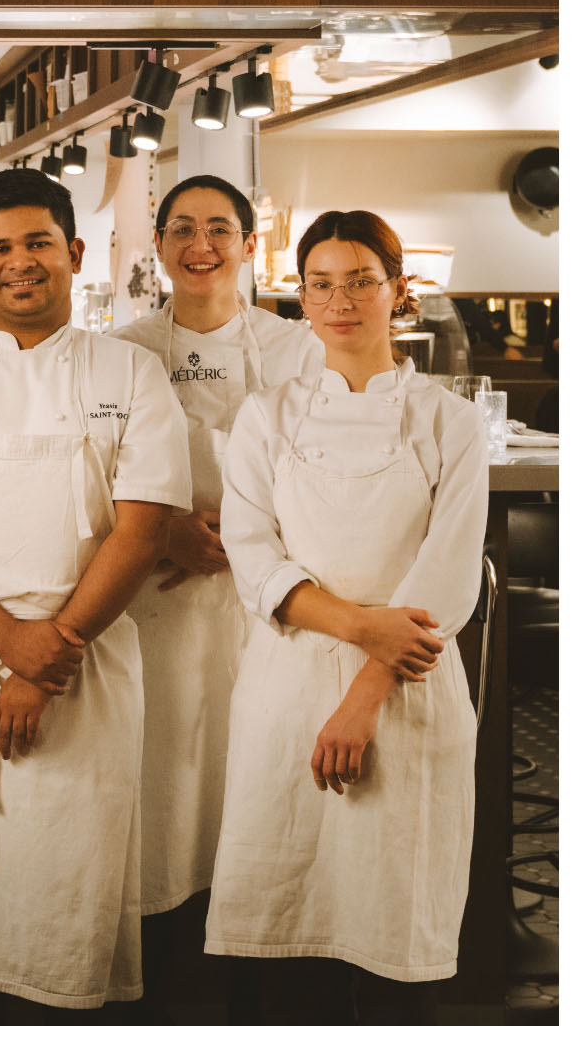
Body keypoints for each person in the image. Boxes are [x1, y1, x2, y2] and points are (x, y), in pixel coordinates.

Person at [0, 168, 189, 1015]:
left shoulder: (129, 373)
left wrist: (42, 660)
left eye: (36, 244)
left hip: (80, 668)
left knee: (66, 883)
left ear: (73, 252)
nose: (17, 263)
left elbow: (139, 530)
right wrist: (3, 640)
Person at [205, 210, 484, 1025]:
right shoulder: (267, 416)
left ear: (398, 291)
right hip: (288, 687)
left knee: (393, 927)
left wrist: (364, 693)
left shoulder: (447, 421)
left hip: (406, 690)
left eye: (361, 279)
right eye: (319, 283)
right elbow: (252, 558)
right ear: (300, 299)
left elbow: (446, 578)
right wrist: (363, 626)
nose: (341, 299)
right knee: (280, 921)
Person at [107, 175, 323, 1004]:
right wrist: (160, 528)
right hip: (157, 604)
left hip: (268, 604)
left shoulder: (296, 346)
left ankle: (265, 978)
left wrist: (239, 540)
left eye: (219, 229)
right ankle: (172, 981)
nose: (201, 245)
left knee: (258, 782)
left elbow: (319, 469)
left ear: (245, 245)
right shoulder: (122, 350)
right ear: (157, 245)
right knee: (169, 787)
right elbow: (98, 476)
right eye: (183, 229)